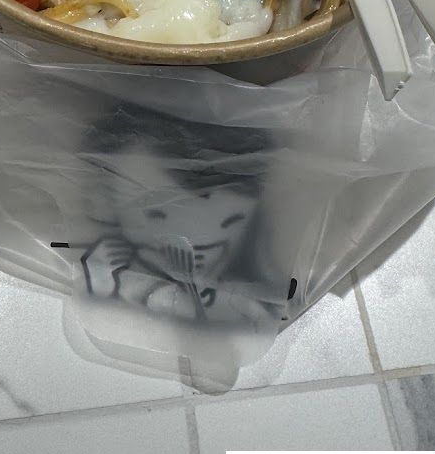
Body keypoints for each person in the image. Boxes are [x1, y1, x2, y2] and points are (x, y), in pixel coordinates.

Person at [76, 102, 292, 327]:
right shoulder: (121, 273)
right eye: (156, 216)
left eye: (229, 222)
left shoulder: (247, 298)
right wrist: (101, 282)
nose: (196, 239)